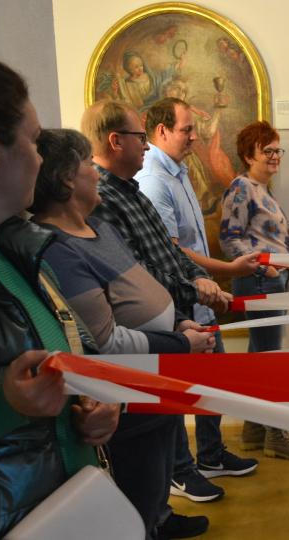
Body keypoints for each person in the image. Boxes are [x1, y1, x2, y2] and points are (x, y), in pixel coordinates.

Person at [0, 52, 119, 539]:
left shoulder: (20, 252)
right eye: (32, 140)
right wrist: (5, 405)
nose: (40, 157)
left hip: (71, 505)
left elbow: (76, 358)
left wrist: (97, 406)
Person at [30, 128, 217, 539]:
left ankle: (158, 520)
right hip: (129, 394)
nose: (95, 172)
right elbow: (105, 340)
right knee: (137, 500)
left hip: (159, 375)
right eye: (85, 164)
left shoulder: (100, 226)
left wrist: (177, 321)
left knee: (155, 487)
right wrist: (182, 342)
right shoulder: (58, 248)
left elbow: (144, 285)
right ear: (65, 179)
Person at [85, 99, 239, 506]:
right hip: (144, 332)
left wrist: (199, 280)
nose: (146, 147)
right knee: (147, 437)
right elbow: (137, 271)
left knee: (166, 418)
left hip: (173, 316)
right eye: (140, 137)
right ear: (117, 141)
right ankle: (165, 498)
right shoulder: (104, 199)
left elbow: (169, 255)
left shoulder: (132, 190)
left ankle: (164, 507)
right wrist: (194, 290)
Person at [135, 97, 263, 499]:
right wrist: (229, 270)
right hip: (179, 299)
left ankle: (210, 454)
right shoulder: (153, 179)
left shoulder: (179, 170)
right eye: (187, 129)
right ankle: (180, 470)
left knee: (214, 379)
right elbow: (173, 249)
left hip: (200, 293)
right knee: (176, 390)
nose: (195, 136)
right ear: (161, 132)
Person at [219, 120, 289, 460]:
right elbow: (230, 238)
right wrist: (261, 264)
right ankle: (277, 434)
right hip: (261, 281)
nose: (275, 156)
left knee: (259, 356)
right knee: (271, 360)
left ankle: (253, 429)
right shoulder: (242, 188)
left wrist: (288, 230)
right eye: (268, 151)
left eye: (278, 150)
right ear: (249, 155)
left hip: (273, 280)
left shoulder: (263, 190)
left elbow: (260, 233)